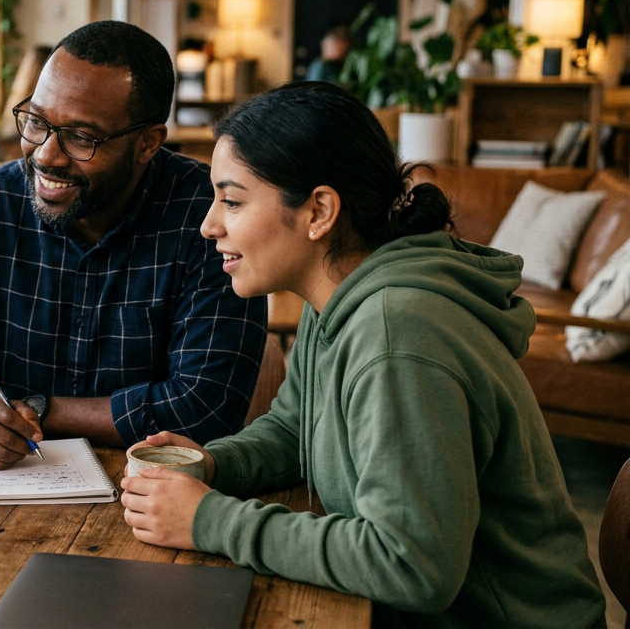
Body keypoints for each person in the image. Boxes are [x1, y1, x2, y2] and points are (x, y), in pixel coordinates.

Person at [119, 82, 606, 627]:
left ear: (319, 211)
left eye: (232, 200)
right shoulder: (336, 302)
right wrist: (213, 465)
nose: (210, 224)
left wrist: (214, 521)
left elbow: (412, 564)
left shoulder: (398, 336)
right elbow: (291, 428)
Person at [0, 20, 268, 471]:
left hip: (156, 489)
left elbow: (206, 407)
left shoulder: (209, 220)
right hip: (15, 484)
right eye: (36, 122)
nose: (45, 155)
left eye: (80, 137)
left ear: (148, 143)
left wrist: (41, 409)